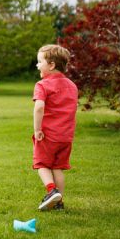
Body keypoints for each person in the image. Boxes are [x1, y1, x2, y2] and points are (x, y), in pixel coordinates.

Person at [32, 44, 78, 211]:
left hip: (48, 135)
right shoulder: (72, 86)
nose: (37, 65)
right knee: (57, 167)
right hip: (66, 136)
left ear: (51, 65)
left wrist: (37, 130)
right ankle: (58, 203)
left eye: (39, 62)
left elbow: (39, 108)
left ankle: (51, 191)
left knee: (41, 164)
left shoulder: (42, 85)